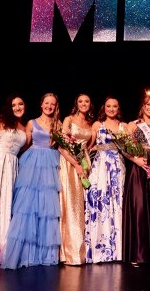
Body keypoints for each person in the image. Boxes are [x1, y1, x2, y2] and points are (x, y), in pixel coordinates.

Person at [0, 92, 62, 269]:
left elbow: (63, 147)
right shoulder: (31, 122)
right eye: (46, 103)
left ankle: (44, 253)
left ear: (55, 106)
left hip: (50, 164)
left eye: (52, 104)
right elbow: (24, 144)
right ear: (41, 104)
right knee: (28, 207)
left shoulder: (58, 124)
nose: (49, 106)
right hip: (33, 164)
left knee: (46, 209)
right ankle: (26, 253)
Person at [122, 89, 150, 264]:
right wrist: (136, 160)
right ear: (142, 106)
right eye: (148, 105)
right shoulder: (132, 125)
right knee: (139, 208)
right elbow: (124, 149)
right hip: (138, 166)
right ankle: (138, 254)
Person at [85, 96, 127, 263]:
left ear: (118, 108)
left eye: (114, 106)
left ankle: (117, 251)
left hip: (117, 166)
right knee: (100, 202)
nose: (111, 109)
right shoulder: (97, 125)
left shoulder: (123, 126)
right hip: (101, 166)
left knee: (117, 202)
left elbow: (128, 148)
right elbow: (88, 147)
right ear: (104, 107)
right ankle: (99, 249)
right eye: (108, 106)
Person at [58, 93, 94, 265]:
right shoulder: (68, 119)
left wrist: (85, 164)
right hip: (69, 164)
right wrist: (76, 164)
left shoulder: (90, 124)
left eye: (87, 101)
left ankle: (81, 250)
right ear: (76, 103)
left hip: (84, 164)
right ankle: (70, 253)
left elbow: (90, 146)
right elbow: (61, 146)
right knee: (70, 205)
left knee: (81, 206)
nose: (84, 104)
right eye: (80, 101)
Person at [0, 94, 27, 250]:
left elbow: (25, 150)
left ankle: (9, 243)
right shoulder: (1, 119)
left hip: (14, 166)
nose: (17, 108)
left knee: (10, 201)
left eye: (20, 104)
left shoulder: (25, 128)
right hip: (0, 163)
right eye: (14, 105)